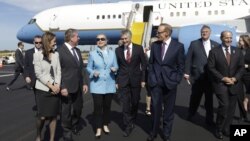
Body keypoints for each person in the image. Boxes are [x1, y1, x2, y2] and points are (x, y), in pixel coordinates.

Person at [147, 23, 185, 141]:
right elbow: (151, 63)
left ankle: (167, 134)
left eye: (159, 32)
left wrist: (176, 79)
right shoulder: (155, 45)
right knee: (155, 109)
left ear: (166, 33)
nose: (157, 34)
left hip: (170, 83)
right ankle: (153, 133)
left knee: (169, 111)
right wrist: (152, 77)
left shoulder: (178, 46)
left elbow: (181, 65)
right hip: (156, 83)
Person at [207, 31, 245, 139]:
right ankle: (218, 128)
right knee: (224, 106)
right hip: (220, 84)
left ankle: (226, 128)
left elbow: (241, 67)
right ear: (221, 38)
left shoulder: (237, 51)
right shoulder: (214, 52)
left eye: (230, 38)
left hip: (234, 84)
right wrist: (223, 78)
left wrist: (235, 78)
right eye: (226, 38)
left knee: (231, 109)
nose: (229, 40)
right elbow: (211, 68)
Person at [57, 28, 88, 141]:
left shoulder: (78, 51)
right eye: (77, 36)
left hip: (78, 87)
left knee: (78, 109)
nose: (79, 38)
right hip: (66, 88)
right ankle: (67, 133)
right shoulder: (59, 51)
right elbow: (57, 71)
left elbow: (81, 69)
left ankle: (74, 124)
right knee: (65, 112)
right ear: (71, 38)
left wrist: (84, 82)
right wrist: (62, 86)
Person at [184, 25, 219, 125]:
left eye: (206, 31)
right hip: (197, 76)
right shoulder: (194, 43)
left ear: (210, 33)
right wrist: (187, 72)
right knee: (195, 97)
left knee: (209, 100)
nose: (204, 33)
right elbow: (188, 59)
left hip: (210, 78)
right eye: (203, 32)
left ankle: (209, 119)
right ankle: (191, 113)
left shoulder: (216, 45)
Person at [115, 29, 146, 137]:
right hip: (123, 81)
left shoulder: (138, 48)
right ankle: (128, 125)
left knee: (135, 102)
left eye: (126, 38)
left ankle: (132, 119)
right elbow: (117, 66)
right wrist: (116, 81)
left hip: (136, 80)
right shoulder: (118, 50)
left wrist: (143, 79)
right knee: (125, 104)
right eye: (122, 39)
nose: (124, 41)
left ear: (130, 37)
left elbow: (144, 65)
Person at [87, 34, 118, 139]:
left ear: (106, 41)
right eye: (98, 39)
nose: (99, 41)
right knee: (97, 108)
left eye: (102, 39)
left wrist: (115, 69)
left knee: (107, 107)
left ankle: (105, 124)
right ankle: (98, 127)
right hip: (97, 84)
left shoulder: (112, 53)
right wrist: (93, 72)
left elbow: (116, 65)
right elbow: (88, 68)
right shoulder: (92, 54)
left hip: (109, 84)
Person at [33, 32, 61, 141]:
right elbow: (38, 74)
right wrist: (51, 86)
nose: (55, 42)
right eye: (53, 40)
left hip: (55, 88)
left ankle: (52, 139)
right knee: (42, 116)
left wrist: (57, 85)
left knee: (53, 116)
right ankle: (39, 135)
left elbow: (58, 71)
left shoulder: (56, 54)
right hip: (42, 89)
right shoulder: (37, 55)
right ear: (48, 41)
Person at [24, 35, 42, 115]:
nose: (38, 44)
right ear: (33, 42)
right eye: (36, 42)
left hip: (45, 78)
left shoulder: (46, 51)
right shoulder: (28, 53)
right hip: (34, 79)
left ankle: (46, 110)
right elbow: (26, 66)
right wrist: (27, 76)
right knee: (37, 96)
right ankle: (40, 111)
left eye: (40, 42)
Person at [237, 34, 250, 121]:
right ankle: (243, 115)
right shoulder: (237, 50)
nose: (239, 42)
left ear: (245, 41)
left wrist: (247, 66)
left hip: (248, 74)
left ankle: (247, 103)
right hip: (238, 75)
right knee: (239, 95)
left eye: (241, 40)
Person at [144, 37, 158, 116]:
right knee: (149, 92)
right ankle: (148, 108)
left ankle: (157, 106)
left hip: (159, 76)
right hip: (149, 76)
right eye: (152, 43)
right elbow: (145, 66)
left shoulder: (161, 52)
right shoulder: (147, 53)